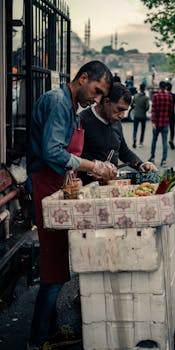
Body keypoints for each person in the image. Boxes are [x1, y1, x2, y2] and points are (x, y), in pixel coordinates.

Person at [26, 60, 118, 350]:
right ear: (84, 78)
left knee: (60, 259)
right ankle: (38, 339)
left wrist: (79, 174)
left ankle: (49, 330)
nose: (98, 99)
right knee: (53, 265)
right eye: (97, 90)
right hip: (45, 185)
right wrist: (93, 166)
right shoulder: (56, 102)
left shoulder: (73, 108)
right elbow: (52, 150)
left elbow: (66, 155)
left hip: (60, 186)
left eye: (103, 96)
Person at [79, 82, 157, 187]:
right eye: (119, 110)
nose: (122, 116)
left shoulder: (116, 122)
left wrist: (140, 164)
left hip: (111, 186)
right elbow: (72, 159)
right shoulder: (82, 121)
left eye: (125, 111)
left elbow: (123, 151)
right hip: (87, 188)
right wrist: (93, 168)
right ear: (106, 101)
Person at [148, 81, 173, 167]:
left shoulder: (155, 96)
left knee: (154, 141)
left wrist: (153, 122)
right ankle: (164, 161)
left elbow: (153, 110)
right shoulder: (169, 96)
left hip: (156, 123)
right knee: (164, 142)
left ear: (159, 87)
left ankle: (152, 158)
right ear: (165, 87)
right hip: (165, 123)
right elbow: (171, 111)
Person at [132, 83, 150, 148]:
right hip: (143, 116)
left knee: (135, 129)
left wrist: (136, 108)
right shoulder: (146, 98)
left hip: (136, 115)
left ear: (139, 88)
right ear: (144, 89)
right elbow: (147, 107)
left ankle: (134, 140)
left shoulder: (135, 96)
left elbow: (132, 103)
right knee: (142, 130)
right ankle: (140, 142)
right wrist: (144, 110)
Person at [165, 81, 175, 150]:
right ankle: (171, 140)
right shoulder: (174, 96)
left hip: (165, 115)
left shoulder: (164, 96)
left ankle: (164, 142)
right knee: (172, 129)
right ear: (171, 88)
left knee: (165, 129)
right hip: (172, 114)